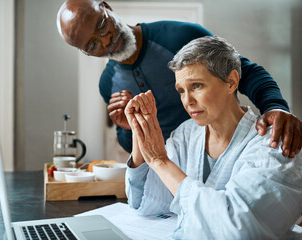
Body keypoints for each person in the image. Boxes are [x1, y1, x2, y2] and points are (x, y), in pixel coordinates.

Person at [56, 0, 301, 157]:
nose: (107, 40)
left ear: (106, 6)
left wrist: (275, 106)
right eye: (93, 44)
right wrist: (129, 129)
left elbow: (245, 71)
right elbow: (136, 149)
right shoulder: (107, 84)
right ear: (85, 52)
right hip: (172, 180)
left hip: (232, 157)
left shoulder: (181, 35)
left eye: (102, 26)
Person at [124, 36, 302, 239]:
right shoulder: (186, 134)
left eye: (197, 86)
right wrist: (140, 133)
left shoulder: (274, 143)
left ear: (231, 82)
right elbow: (151, 202)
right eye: (181, 91)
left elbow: (238, 229)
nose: (187, 101)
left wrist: (160, 161)